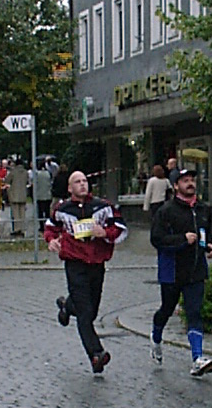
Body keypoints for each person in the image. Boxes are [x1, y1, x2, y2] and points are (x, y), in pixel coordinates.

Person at [43, 170, 127, 375]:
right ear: (70, 188)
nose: (82, 185)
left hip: (97, 262)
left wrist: (105, 233)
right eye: (77, 182)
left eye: (84, 181)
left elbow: (120, 227)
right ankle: (96, 354)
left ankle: (66, 305)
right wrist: (51, 241)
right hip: (75, 262)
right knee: (85, 313)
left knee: (92, 308)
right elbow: (50, 227)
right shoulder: (62, 209)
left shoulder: (103, 206)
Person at [150, 165, 212, 377]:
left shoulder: (203, 209)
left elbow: (206, 232)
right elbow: (157, 239)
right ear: (176, 185)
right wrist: (182, 240)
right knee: (167, 309)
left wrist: (210, 245)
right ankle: (156, 337)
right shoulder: (166, 211)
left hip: (196, 270)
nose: (190, 183)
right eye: (185, 180)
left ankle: (197, 358)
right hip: (173, 271)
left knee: (194, 312)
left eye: (192, 180)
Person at [7, 157, 29, 237]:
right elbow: (27, 181)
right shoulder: (25, 172)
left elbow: (7, 180)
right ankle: (22, 229)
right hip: (23, 194)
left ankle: (17, 229)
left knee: (16, 214)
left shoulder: (13, 172)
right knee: (22, 213)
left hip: (14, 195)